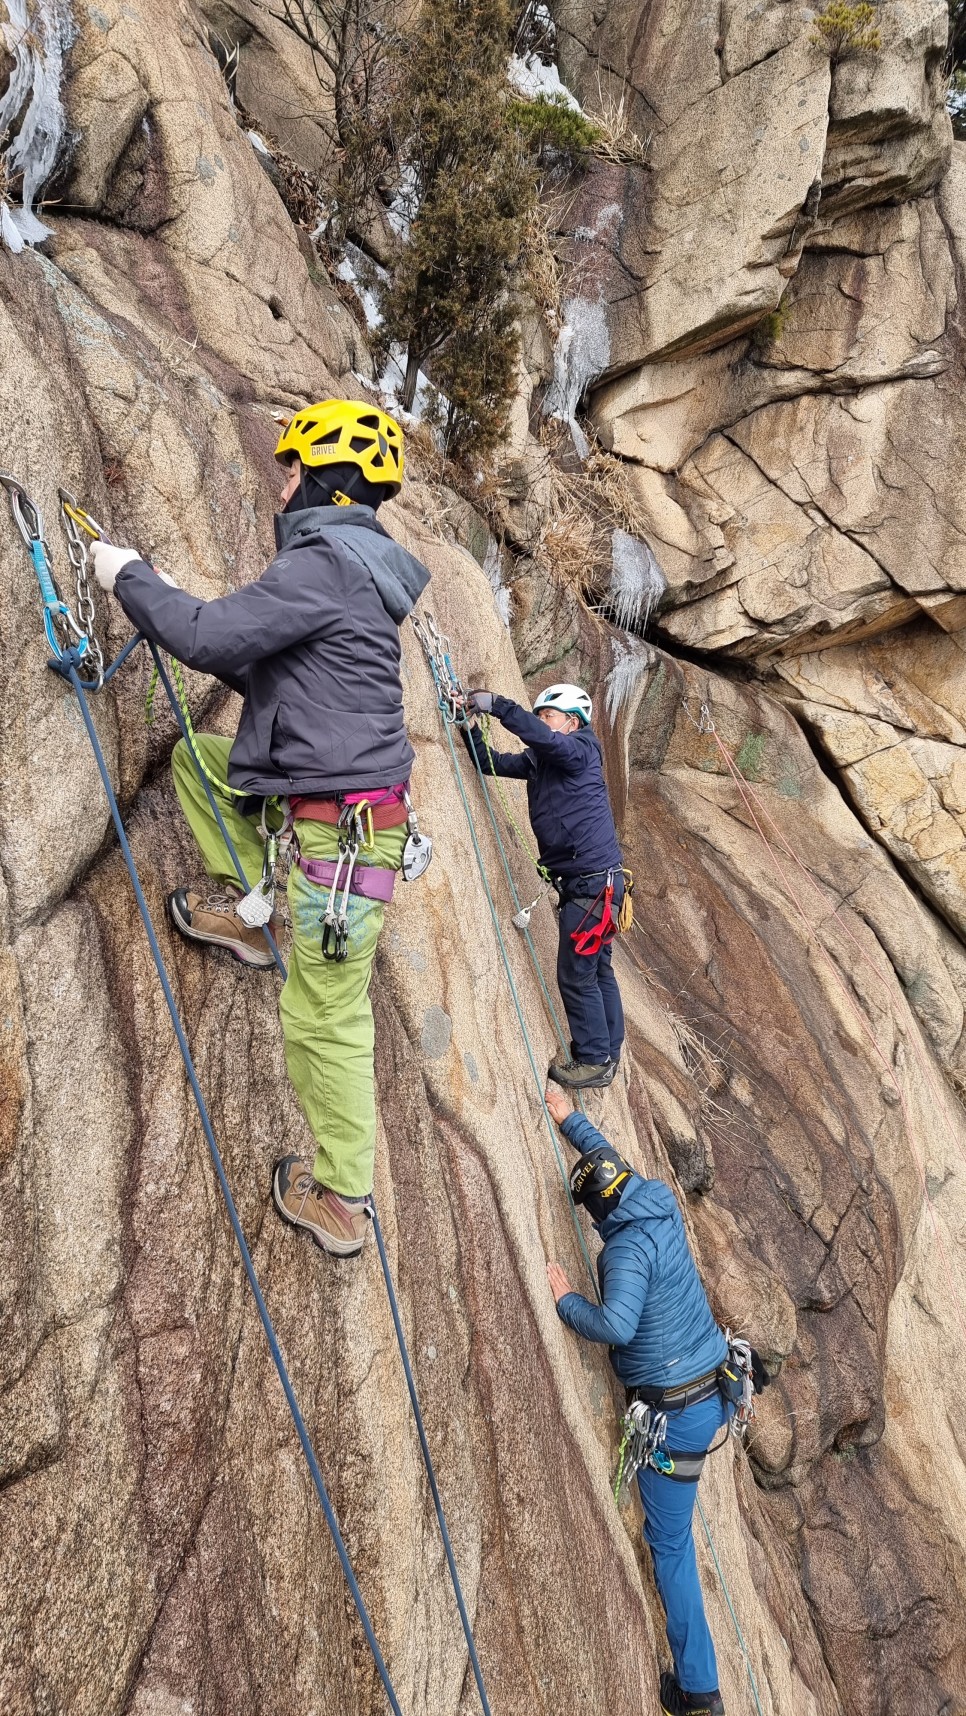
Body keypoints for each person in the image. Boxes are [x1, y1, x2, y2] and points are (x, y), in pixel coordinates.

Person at [91, 399, 429, 1258]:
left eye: (292, 467)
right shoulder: (351, 568)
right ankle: (253, 915)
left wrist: (128, 577)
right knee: (202, 766)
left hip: (342, 843)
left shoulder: (328, 563)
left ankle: (345, 1199)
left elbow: (209, 639)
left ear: (324, 478)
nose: (282, 481)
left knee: (324, 1017)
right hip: (330, 815)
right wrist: (159, 593)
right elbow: (261, 655)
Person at [544, 1087, 730, 1716]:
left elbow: (619, 1326)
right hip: (711, 1389)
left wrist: (568, 1301)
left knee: (671, 1544)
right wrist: (571, 1119)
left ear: (597, 1213)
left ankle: (700, 1692)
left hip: (674, 1414)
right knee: (677, 1532)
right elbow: (607, 1160)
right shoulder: (654, 1201)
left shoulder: (622, 1248)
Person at [461, 681, 625, 1091]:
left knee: (576, 975)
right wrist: (469, 729)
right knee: (597, 969)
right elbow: (491, 764)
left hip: (591, 886)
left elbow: (547, 742)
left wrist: (498, 705)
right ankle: (608, 1048)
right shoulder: (542, 761)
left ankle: (593, 1060)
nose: (541, 725)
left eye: (547, 717)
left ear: (572, 722)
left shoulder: (581, 750)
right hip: (593, 886)